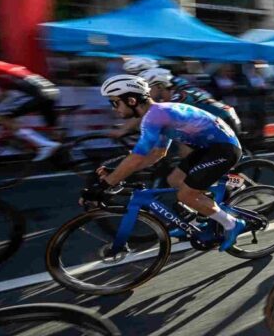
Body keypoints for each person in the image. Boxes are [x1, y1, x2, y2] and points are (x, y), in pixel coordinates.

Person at [94, 75, 246, 251]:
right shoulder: (156, 114)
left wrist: (107, 182)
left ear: (131, 100)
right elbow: (157, 154)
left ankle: (232, 224)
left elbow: (136, 158)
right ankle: (206, 216)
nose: (113, 109)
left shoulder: (155, 116)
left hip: (224, 149)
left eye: (114, 103)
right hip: (208, 149)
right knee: (175, 179)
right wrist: (116, 171)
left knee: (186, 195)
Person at [139, 68, 242, 135]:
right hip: (219, 119)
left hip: (225, 120)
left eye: (148, 88)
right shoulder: (174, 94)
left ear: (160, 86)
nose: (145, 92)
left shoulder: (179, 97)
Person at [0, 61, 61, 161]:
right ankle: (64, 158)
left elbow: (2, 95)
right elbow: (4, 93)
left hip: (36, 91)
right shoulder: (2, 65)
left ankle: (44, 145)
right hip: (49, 88)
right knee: (53, 129)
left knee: (3, 117)